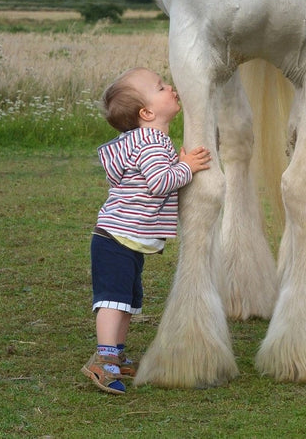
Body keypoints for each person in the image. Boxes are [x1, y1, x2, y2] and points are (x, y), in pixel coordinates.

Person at [81, 67, 212, 395]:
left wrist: (174, 163)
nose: (170, 87)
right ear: (148, 112)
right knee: (112, 301)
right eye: (161, 86)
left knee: (125, 300)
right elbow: (158, 183)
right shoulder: (152, 142)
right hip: (117, 239)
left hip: (121, 238)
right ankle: (104, 359)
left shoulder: (141, 141)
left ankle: (117, 354)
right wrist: (186, 168)